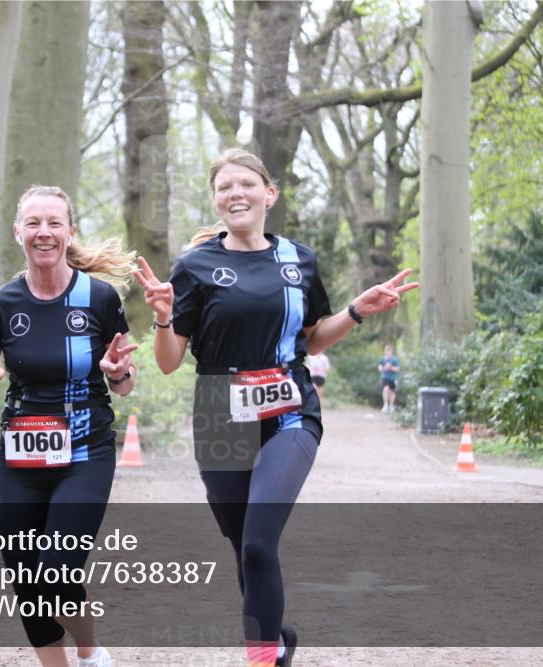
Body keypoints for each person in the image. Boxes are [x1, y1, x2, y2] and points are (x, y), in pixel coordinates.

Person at [133, 148, 417, 667]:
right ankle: (275, 639)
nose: (234, 193)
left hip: (290, 410)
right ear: (216, 200)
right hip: (219, 411)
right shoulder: (194, 266)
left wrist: (356, 311)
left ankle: (260, 660)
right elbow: (171, 362)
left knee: (260, 542)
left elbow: (311, 340)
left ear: (269, 194)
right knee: (243, 544)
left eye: (245, 184)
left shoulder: (298, 260)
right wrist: (163, 318)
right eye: (224, 187)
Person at [0, 185, 136, 667]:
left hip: (84, 451)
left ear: (69, 232)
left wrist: (119, 373)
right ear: (18, 232)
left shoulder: (99, 299)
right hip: (19, 457)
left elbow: (123, 382)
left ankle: (90, 649)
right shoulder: (2, 303)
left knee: (56, 572)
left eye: (54, 223)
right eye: (33, 223)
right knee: (26, 577)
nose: (44, 232)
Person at [378, 344, 400, 413]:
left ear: (391, 352)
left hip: (393, 378)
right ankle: (385, 405)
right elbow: (380, 367)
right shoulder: (383, 359)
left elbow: (397, 369)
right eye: (386, 351)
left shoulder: (395, 359)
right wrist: (382, 368)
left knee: (392, 392)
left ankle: (391, 406)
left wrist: (390, 367)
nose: (387, 352)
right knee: (385, 389)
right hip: (385, 377)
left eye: (389, 351)